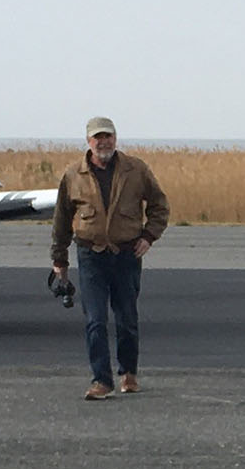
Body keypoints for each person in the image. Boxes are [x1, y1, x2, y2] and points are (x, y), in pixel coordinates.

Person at [52, 115, 169, 399]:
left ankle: (129, 373)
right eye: (97, 137)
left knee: (127, 318)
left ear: (115, 139)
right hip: (91, 255)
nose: (103, 141)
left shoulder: (136, 169)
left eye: (108, 136)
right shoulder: (72, 175)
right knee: (95, 319)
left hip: (126, 255)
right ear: (88, 141)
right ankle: (101, 381)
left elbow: (159, 205)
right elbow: (61, 219)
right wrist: (59, 260)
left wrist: (148, 237)